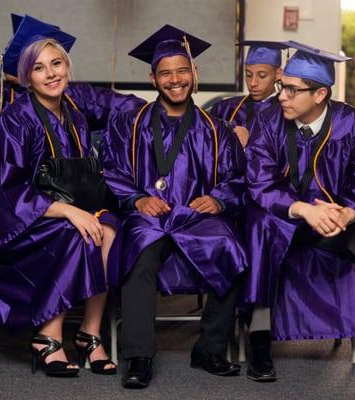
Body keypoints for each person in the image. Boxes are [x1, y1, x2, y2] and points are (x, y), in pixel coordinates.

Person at [0, 17, 121, 377]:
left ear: (67, 65)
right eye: (39, 68)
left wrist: (84, 210)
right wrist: (69, 212)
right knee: (78, 232)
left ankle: (89, 333)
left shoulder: (75, 116)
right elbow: (4, 192)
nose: (51, 74)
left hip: (64, 211)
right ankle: (47, 336)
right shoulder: (15, 120)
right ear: (26, 77)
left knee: (111, 230)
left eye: (56, 63)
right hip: (16, 226)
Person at [103, 24, 248, 389]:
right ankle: (138, 357)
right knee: (139, 257)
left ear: (194, 74)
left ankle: (210, 350)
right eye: (165, 72)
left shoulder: (215, 129)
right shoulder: (128, 124)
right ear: (153, 77)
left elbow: (237, 178)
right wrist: (136, 198)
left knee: (228, 247)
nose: (175, 79)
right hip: (149, 218)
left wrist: (218, 198)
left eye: (183, 70)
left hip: (195, 217)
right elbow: (111, 171)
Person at [244, 41, 355, 381]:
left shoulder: (354, 124)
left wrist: (348, 214)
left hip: (335, 223)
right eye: (282, 87)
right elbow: (259, 184)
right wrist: (302, 209)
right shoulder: (267, 121)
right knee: (259, 224)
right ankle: (259, 339)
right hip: (286, 220)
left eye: (291, 89)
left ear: (320, 95)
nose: (282, 97)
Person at [0, 14, 145, 140]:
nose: (50, 72)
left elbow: (122, 105)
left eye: (54, 62)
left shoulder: (74, 94)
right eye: (36, 65)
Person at [210, 41, 285, 148]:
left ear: (278, 74)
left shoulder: (286, 111)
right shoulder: (225, 108)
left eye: (262, 76)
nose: (253, 83)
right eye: (248, 75)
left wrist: (250, 142)